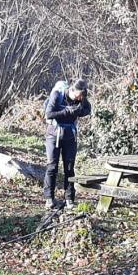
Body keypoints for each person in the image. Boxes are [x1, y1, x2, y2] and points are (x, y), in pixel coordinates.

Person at [43, 79, 91, 209]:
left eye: (82, 96)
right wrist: (66, 112)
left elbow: (88, 110)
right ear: (72, 90)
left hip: (70, 136)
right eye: (79, 95)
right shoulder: (57, 95)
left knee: (69, 168)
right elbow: (48, 113)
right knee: (52, 167)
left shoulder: (81, 99)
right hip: (53, 135)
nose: (80, 98)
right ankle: (49, 198)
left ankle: (69, 198)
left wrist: (78, 111)